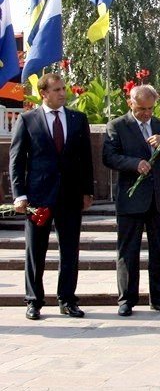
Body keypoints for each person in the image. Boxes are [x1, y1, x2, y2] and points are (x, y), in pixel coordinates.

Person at [9, 73, 94, 320]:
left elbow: (85, 159)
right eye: (56, 89)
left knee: (70, 250)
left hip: (70, 196)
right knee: (35, 250)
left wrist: (87, 191)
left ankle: (67, 299)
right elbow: (17, 162)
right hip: (38, 198)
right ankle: (34, 301)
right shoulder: (27, 120)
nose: (62, 93)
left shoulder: (78, 119)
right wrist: (19, 195)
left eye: (63, 88)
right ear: (43, 93)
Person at [102, 84, 160, 316]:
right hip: (131, 199)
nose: (147, 113)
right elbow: (109, 156)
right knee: (128, 251)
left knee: (159, 251)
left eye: (150, 108)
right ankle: (127, 300)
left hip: (159, 200)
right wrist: (134, 163)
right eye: (142, 109)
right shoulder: (117, 126)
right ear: (130, 103)